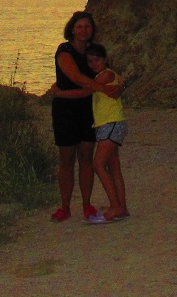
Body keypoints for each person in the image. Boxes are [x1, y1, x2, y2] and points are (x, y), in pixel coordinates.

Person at [48, 11, 120, 222]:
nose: (83, 30)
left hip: (88, 108)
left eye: (87, 26)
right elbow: (75, 76)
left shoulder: (93, 52)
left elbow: (109, 71)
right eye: (79, 26)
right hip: (65, 110)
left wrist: (115, 85)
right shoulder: (64, 50)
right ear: (71, 28)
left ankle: (87, 204)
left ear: (92, 30)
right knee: (67, 159)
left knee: (87, 158)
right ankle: (64, 206)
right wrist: (102, 89)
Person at [84, 43, 128, 223]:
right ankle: (122, 206)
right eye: (90, 61)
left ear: (105, 59)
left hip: (110, 124)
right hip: (111, 124)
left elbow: (87, 89)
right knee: (113, 167)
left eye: (97, 60)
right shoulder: (113, 76)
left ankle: (115, 206)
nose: (94, 63)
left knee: (98, 165)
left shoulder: (106, 75)